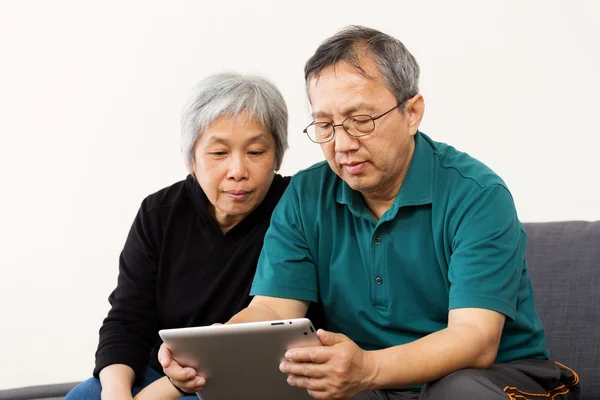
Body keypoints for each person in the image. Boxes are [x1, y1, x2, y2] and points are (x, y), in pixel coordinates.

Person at [160, 26, 581, 400]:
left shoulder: (476, 194)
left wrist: (368, 368)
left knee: (458, 389)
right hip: (370, 385)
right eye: (324, 125)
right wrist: (217, 347)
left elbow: (475, 339)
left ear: (411, 112)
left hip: (497, 379)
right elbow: (271, 310)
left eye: (359, 120)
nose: (341, 144)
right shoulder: (307, 193)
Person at [65, 71, 324, 399]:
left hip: (251, 381)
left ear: (277, 156)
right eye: (218, 153)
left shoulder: (295, 209)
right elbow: (127, 318)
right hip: (161, 370)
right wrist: (116, 392)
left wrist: (158, 393)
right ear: (192, 159)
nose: (237, 171)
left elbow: (271, 334)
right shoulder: (159, 213)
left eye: (256, 152)